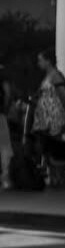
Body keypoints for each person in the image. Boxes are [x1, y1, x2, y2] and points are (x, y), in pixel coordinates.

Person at [28, 50, 65, 159]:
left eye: (40, 60)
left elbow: (64, 95)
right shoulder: (48, 76)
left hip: (54, 119)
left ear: (48, 61)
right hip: (46, 119)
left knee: (53, 148)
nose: (38, 63)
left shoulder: (55, 75)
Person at [0, 61, 13, 189]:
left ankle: (5, 177)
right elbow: (7, 93)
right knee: (4, 147)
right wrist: (5, 108)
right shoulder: (2, 75)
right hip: (0, 115)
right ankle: (5, 178)